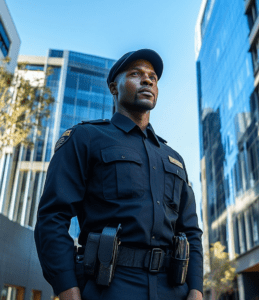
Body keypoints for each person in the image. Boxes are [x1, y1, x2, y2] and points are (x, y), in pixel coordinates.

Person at [34, 49, 203, 300]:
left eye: (152, 78)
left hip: (173, 289)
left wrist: (196, 290)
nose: (147, 80)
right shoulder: (86, 138)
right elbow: (52, 217)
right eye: (136, 74)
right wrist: (67, 289)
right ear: (114, 87)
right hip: (109, 287)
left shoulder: (174, 157)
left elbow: (191, 232)